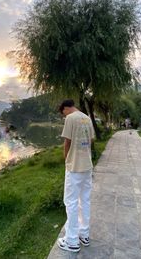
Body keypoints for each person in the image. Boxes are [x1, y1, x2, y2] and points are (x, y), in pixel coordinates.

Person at [57, 99, 95, 253]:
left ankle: (72, 240)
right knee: (84, 200)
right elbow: (91, 140)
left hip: (74, 166)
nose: (63, 115)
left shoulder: (70, 118)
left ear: (66, 108)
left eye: (63, 112)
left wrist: (67, 160)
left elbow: (67, 142)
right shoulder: (87, 118)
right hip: (87, 166)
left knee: (71, 201)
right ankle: (84, 235)